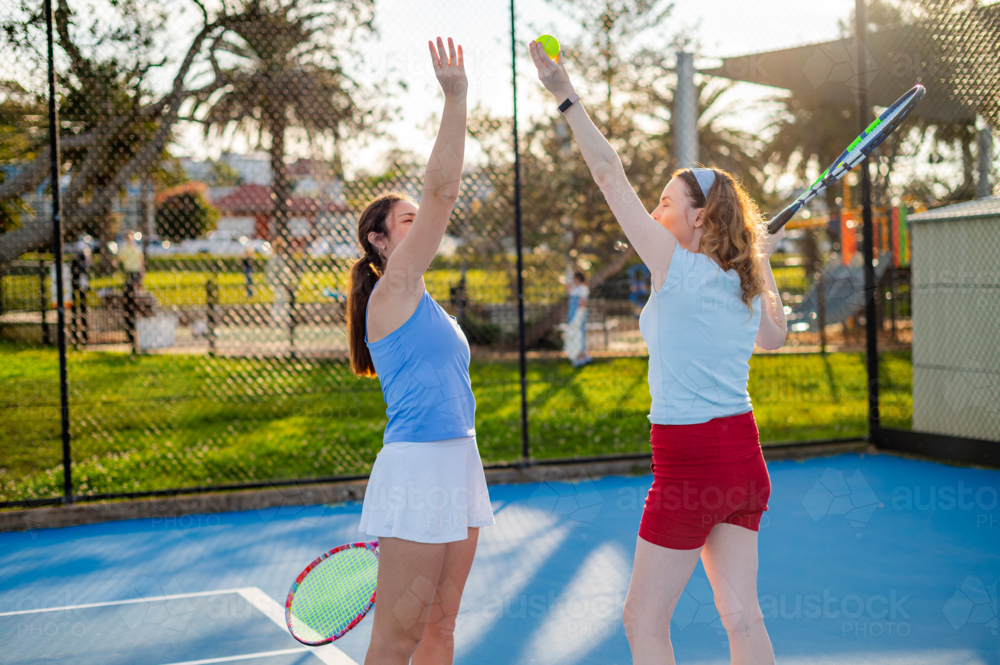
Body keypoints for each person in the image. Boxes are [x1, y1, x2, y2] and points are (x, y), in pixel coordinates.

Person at [530, 42, 788, 665]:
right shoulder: (747, 281)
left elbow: (608, 175)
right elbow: (774, 339)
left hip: (692, 463)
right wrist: (762, 262)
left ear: (698, 219)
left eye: (668, 203)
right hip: (743, 459)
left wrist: (565, 95)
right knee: (742, 619)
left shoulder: (676, 266)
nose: (654, 211)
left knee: (642, 621)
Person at [346, 38, 494, 665]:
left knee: (440, 630)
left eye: (415, 219)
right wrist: (456, 98)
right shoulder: (392, 293)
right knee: (397, 638)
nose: (420, 223)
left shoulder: (426, 303)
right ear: (380, 243)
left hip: (460, 458)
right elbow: (441, 193)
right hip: (417, 470)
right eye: (404, 221)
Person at [564, 264, 592, 367]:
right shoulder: (576, 289)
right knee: (575, 334)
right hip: (574, 314)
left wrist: (578, 315)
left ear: (578, 278)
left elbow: (582, 302)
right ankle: (580, 355)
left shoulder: (583, 288)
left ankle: (580, 356)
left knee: (579, 335)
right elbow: (569, 290)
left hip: (578, 315)